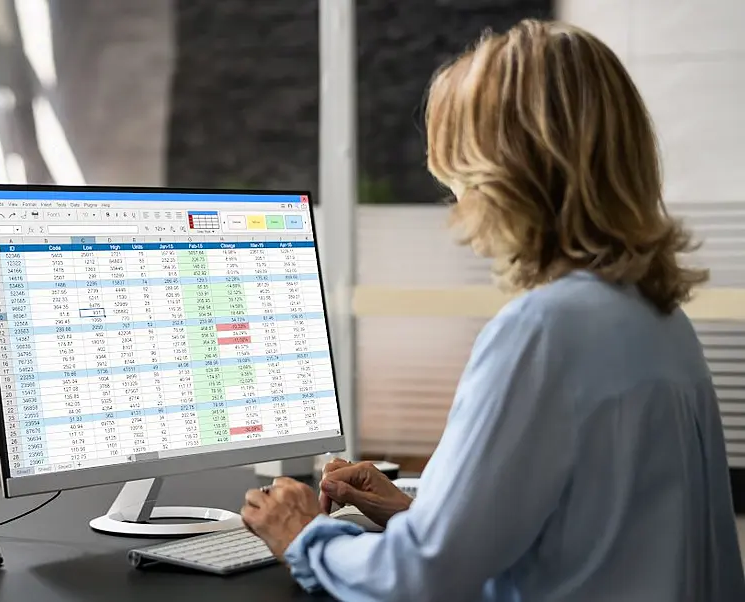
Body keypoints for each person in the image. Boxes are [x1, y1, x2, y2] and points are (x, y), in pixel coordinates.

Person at [240, 19, 745, 601]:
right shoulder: (659, 319)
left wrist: (304, 536)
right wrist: (419, 513)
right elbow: (587, 534)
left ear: (504, 175)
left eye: (456, 175)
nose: (455, 202)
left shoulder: (546, 330)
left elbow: (422, 578)